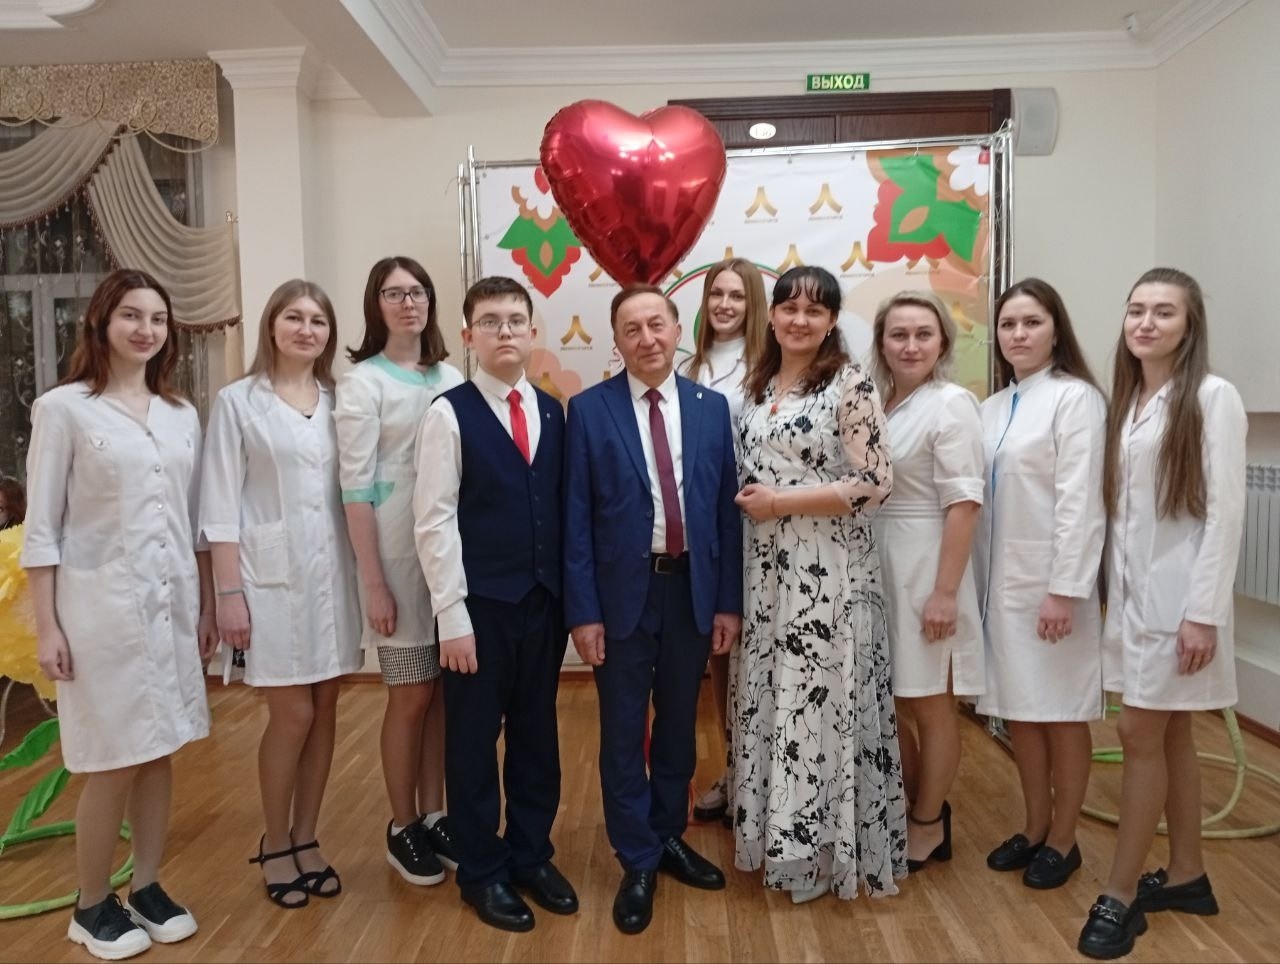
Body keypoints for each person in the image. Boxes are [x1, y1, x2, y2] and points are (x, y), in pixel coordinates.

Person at [23, 268, 215, 960]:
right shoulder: (64, 409)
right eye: (131, 315)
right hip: (97, 613)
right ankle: (90, 904)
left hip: (170, 607)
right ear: (101, 322)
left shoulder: (180, 414)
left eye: (158, 319)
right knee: (111, 758)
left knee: (159, 750)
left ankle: (148, 884)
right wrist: (48, 626)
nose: (146, 329)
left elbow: (192, 522)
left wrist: (205, 606)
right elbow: (42, 530)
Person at [1077, 268, 1247, 960]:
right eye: (1137, 310)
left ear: (1189, 325)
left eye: (1164, 312)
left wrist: (1203, 613)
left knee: (1137, 732)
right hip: (1136, 602)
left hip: (1181, 608)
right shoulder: (1130, 401)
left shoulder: (1212, 396)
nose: (1146, 323)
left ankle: (1118, 895)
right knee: (1172, 735)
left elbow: (1225, 515)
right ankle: (1186, 875)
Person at [564, 284, 743, 936]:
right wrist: (583, 613)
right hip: (620, 598)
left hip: (691, 591)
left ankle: (668, 835)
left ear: (677, 329)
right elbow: (575, 519)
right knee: (621, 733)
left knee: (677, 731)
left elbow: (724, 513)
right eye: (632, 329)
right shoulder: (589, 410)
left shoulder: (710, 408)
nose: (647, 338)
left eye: (657, 324)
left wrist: (728, 603)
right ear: (617, 340)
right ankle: (636, 857)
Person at [732, 265, 904, 903]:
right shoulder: (757, 384)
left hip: (826, 572)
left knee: (819, 704)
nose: (800, 320)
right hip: (767, 570)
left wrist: (781, 503)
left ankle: (826, 852)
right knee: (777, 699)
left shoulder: (849, 383)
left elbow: (875, 484)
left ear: (832, 321)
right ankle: (783, 844)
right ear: (772, 316)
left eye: (815, 310)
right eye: (789, 307)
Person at [414, 276, 575, 932]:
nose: (504, 331)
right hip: (477, 609)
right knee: (474, 744)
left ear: (533, 332)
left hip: (543, 603)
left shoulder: (554, 412)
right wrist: (451, 615)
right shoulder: (447, 414)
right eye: (490, 321)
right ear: (468, 335)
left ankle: (531, 853)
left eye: (515, 320)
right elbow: (434, 520)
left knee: (538, 736)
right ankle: (481, 870)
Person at [200, 279, 362, 909]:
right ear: (271, 325)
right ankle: (274, 842)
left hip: (333, 577)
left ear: (329, 334)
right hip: (266, 581)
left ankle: (306, 837)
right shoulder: (238, 402)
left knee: (325, 711)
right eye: (294, 317)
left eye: (317, 321)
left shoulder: (339, 401)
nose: (306, 329)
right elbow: (218, 505)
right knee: (292, 715)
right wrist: (228, 594)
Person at [334, 256, 464, 886]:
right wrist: (374, 583)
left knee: (440, 695)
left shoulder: (450, 375)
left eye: (417, 292)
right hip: (394, 555)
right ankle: (402, 824)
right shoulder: (362, 383)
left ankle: (436, 814)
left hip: (449, 552)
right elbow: (354, 489)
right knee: (410, 694)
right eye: (394, 293)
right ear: (375, 304)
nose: (408, 302)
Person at [974, 278, 1106, 890]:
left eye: (1032, 322)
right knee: (1020, 712)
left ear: (1056, 330)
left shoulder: (1075, 398)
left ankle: (1064, 839)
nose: (1018, 334)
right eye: (1008, 324)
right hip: (1002, 588)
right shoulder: (992, 408)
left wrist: (1065, 589)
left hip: (1052, 590)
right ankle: (1033, 827)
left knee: (1061, 713)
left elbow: (1082, 501)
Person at [869, 290, 984, 872]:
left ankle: (929, 822)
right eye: (899, 334)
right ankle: (910, 805)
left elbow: (964, 504)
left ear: (942, 342)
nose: (910, 345)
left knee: (930, 702)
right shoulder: (881, 402)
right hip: (881, 561)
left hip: (927, 564)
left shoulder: (951, 404)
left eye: (923, 334)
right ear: (882, 343)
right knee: (890, 699)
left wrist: (944, 592)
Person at [678, 257, 768, 826]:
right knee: (720, 653)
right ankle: (736, 773)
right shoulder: (689, 367)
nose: (725, 305)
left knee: (763, 656)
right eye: (717, 294)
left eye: (736, 295)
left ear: (753, 302)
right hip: (709, 527)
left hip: (764, 525)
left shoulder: (770, 365)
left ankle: (768, 782)